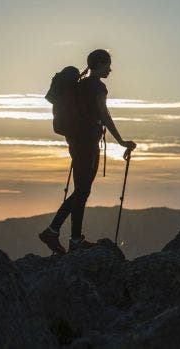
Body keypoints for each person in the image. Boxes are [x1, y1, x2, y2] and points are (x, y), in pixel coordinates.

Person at [39, 49, 136, 254]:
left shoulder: (80, 85)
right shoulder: (97, 86)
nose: (110, 69)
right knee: (82, 191)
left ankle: (73, 239)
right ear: (98, 64)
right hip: (88, 144)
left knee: (82, 191)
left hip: (76, 142)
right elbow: (104, 115)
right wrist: (120, 141)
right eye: (107, 64)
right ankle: (53, 231)